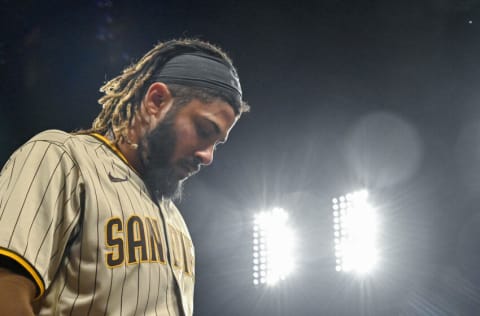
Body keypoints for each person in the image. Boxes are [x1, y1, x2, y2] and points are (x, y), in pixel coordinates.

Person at [0, 38, 249, 315]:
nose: (208, 156)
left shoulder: (176, 222)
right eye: (204, 130)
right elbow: (5, 289)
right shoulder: (63, 158)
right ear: (157, 101)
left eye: (217, 143)